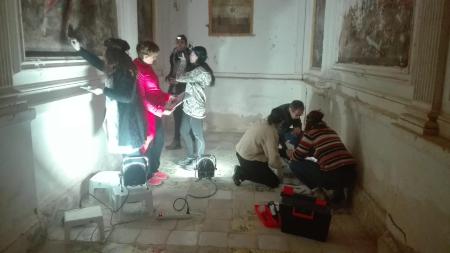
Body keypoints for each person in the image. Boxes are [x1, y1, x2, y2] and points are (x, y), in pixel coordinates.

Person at [70, 37, 145, 155]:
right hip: (119, 113)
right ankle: (130, 171)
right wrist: (80, 49)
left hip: (126, 117)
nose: (104, 54)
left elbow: (127, 97)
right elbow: (98, 63)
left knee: (130, 152)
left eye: (106, 52)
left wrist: (103, 91)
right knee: (125, 150)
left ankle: (134, 172)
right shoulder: (116, 68)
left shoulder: (124, 71)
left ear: (113, 55)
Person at [287, 110, 357, 204]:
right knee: (328, 165)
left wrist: (291, 153)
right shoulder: (331, 131)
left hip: (333, 177)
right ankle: (338, 193)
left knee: (294, 164)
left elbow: (297, 157)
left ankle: (319, 191)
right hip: (351, 175)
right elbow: (326, 151)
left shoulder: (310, 134)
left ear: (308, 123)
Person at [134, 41, 175, 186]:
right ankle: (146, 175)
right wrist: (161, 110)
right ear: (145, 55)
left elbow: (154, 90)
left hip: (155, 112)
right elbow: (141, 98)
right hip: (146, 114)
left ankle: (154, 170)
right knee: (148, 144)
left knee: (159, 141)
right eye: (154, 56)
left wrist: (167, 97)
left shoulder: (148, 67)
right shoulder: (137, 69)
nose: (155, 59)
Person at [175, 46, 215, 167]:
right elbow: (191, 88)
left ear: (199, 56)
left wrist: (182, 62)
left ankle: (198, 161)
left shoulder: (200, 71)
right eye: (190, 54)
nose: (190, 56)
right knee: (183, 131)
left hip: (196, 109)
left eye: (192, 55)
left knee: (198, 135)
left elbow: (179, 77)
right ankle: (191, 157)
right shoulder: (197, 69)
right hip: (188, 107)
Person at [233, 109, 285, 188]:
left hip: (240, 152)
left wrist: (283, 152)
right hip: (248, 159)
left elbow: (268, 148)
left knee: (265, 169)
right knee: (274, 182)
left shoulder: (263, 121)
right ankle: (242, 173)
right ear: (280, 122)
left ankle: (247, 170)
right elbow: (273, 159)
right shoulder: (271, 132)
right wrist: (281, 166)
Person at [165, 34, 192, 150]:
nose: (179, 45)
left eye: (181, 43)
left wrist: (179, 81)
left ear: (185, 44)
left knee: (186, 115)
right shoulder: (174, 53)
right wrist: (169, 76)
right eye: (177, 42)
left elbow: (189, 72)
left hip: (184, 88)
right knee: (176, 114)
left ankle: (189, 141)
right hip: (175, 87)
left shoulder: (189, 55)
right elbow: (174, 68)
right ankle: (177, 141)